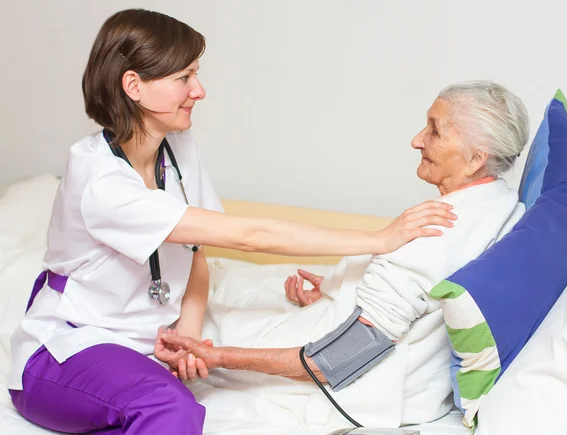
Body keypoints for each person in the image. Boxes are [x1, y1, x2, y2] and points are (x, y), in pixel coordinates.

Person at [6, 8, 455, 435]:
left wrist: (188, 331)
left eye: (196, 75)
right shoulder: (99, 181)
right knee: (169, 405)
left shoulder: (175, 145)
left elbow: (197, 250)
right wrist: (379, 238)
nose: (198, 91)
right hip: (65, 353)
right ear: (133, 85)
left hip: (144, 343)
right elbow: (250, 236)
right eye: (184, 77)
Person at [155, 80, 530, 429]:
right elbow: (410, 301)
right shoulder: (501, 207)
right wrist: (341, 291)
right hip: (396, 373)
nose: (417, 140)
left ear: (475, 159)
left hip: (347, 391)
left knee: (196, 335)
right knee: (214, 312)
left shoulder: (437, 232)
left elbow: (339, 357)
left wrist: (219, 357)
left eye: (434, 130)